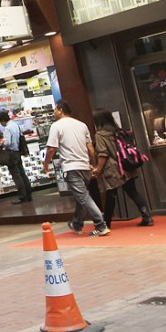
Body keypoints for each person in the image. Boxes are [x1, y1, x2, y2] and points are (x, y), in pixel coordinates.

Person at [43, 100, 109, 236]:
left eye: (55, 109)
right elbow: (90, 147)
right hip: (84, 166)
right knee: (81, 195)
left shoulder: (56, 126)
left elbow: (51, 149)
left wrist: (45, 165)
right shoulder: (82, 125)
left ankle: (101, 225)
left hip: (71, 167)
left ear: (60, 110)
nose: (54, 112)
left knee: (83, 196)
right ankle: (77, 224)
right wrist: (93, 164)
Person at [92, 109, 154, 228]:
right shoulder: (118, 131)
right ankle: (147, 216)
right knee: (132, 192)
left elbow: (103, 154)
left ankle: (106, 224)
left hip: (113, 168)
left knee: (111, 195)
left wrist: (98, 170)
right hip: (126, 165)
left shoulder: (100, 135)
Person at [0, 111, 32, 203]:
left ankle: (22, 196)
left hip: (11, 154)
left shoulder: (7, 128)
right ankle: (29, 195)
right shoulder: (15, 125)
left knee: (16, 176)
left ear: (3, 120)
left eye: (1, 122)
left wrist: (2, 143)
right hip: (17, 152)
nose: (1, 124)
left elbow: (8, 143)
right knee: (22, 174)